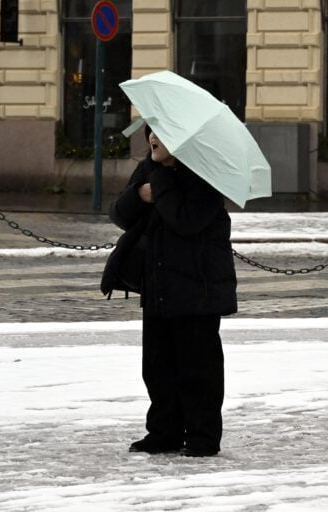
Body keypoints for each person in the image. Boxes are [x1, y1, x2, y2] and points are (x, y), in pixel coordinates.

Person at [101, 125, 238, 457]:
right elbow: (119, 213)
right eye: (150, 131)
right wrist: (139, 194)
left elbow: (185, 220)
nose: (152, 138)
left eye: (160, 132)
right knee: (158, 366)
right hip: (159, 285)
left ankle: (203, 437)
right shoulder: (150, 166)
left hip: (198, 289)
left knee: (197, 369)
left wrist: (158, 185)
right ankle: (164, 433)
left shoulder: (205, 175)